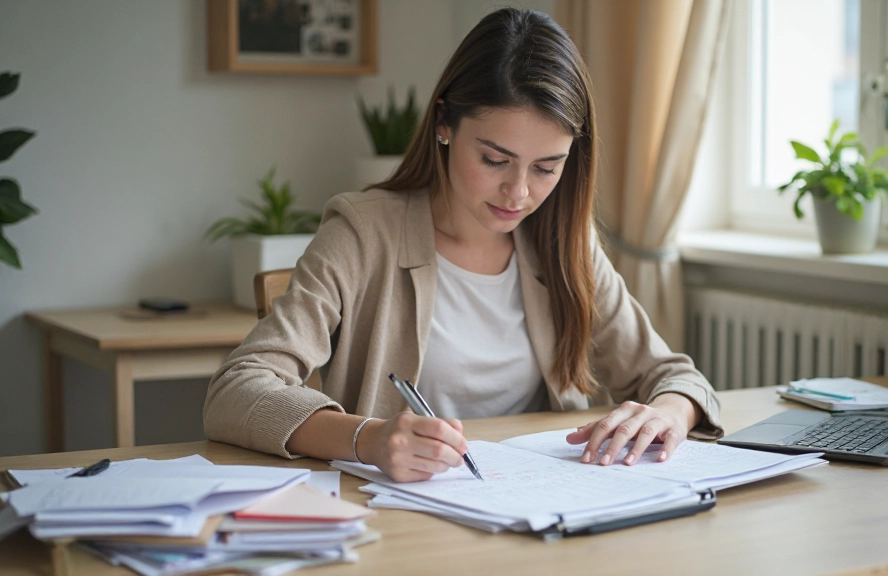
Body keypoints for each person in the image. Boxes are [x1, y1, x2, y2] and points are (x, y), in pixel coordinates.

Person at [204, 8, 723, 483]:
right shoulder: (363, 232)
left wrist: (667, 413)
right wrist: (368, 438)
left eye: (547, 167)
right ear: (445, 123)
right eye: (495, 160)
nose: (519, 193)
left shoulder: (565, 242)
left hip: (541, 506)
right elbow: (237, 391)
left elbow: (672, 375)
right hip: (402, 515)